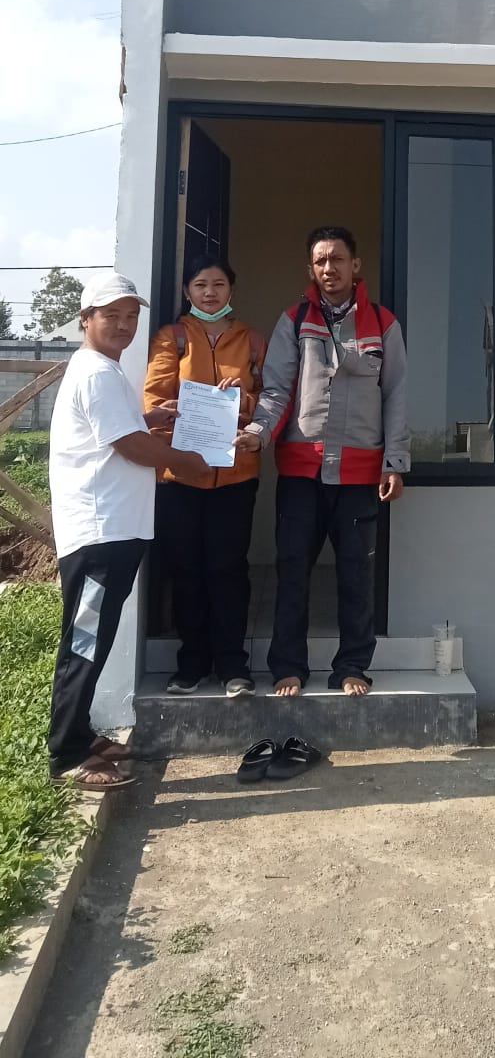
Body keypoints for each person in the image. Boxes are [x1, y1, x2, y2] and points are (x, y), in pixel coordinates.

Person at [47, 274, 211, 790]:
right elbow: (131, 447)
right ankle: (67, 754)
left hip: (114, 529)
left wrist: (148, 417)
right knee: (85, 640)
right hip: (100, 532)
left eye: (131, 316)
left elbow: (118, 431)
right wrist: (186, 461)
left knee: (92, 637)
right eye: (110, 315)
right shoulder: (96, 372)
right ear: (85, 320)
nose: (123, 325)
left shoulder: (105, 370)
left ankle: (80, 734)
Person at [237, 226, 409, 698]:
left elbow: (396, 396)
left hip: (358, 475)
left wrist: (394, 461)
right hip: (301, 472)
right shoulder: (294, 321)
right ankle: (288, 666)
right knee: (292, 570)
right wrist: (257, 433)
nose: (329, 269)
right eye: (320, 261)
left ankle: (352, 666)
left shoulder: (383, 323)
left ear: (355, 266)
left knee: (356, 574)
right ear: (310, 269)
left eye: (337, 259)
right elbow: (277, 390)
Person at [144, 252, 267, 698]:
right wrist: (178, 413)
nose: (209, 293)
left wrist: (242, 402)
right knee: (187, 569)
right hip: (181, 475)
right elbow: (153, 400)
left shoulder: (252, 340)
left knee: (228, 568)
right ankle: (192, 663)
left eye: (218, 284)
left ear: (231, 289)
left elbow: (271, 398)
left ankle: (233, 664)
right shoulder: (171, 338)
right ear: (187, 291)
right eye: (200, 285)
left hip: (235, 474)